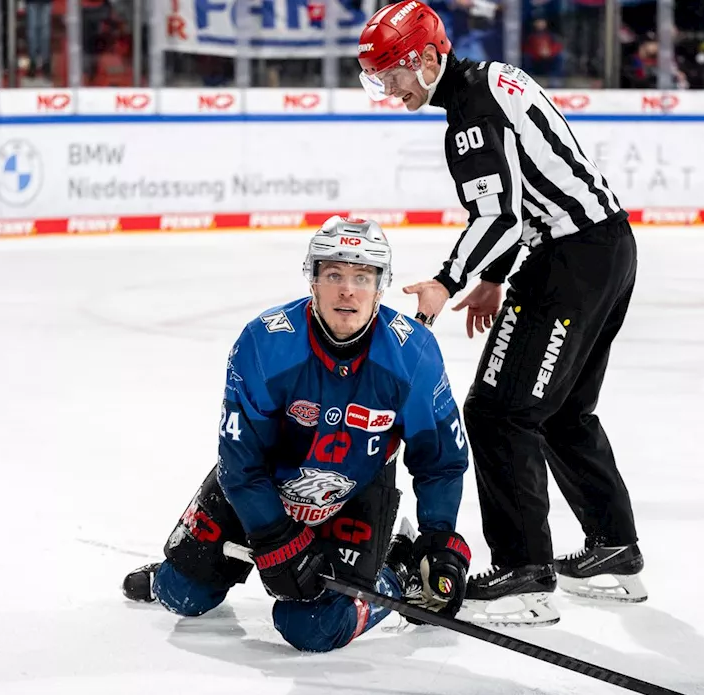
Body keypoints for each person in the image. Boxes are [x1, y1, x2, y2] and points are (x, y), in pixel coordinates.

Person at [357, 0, 646, 629]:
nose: (390, 88)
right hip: (605, 248)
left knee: (498, 412)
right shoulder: (488, 79)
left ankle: (524, 574)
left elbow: (499, 215)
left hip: (567, 262)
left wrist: (445, 281)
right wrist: (491, 279)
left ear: (430, 58)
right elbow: (524, 194)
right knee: (565, 411)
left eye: (395, 73)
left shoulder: (469, 115)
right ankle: (616, 553)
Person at [122, 216, 472, 652]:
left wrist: (438, 538)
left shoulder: (414, 354)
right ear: (313, 280)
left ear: (381, 287)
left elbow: (440, 460)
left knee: (311, 626)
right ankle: (175, 575)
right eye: (334, 274)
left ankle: (394, 570)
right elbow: (240, 461)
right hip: (262, 488)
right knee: (183, 595)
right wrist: (273, 537)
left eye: (362, 276)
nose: (348, 289)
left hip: (354, 495)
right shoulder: (264, 343)